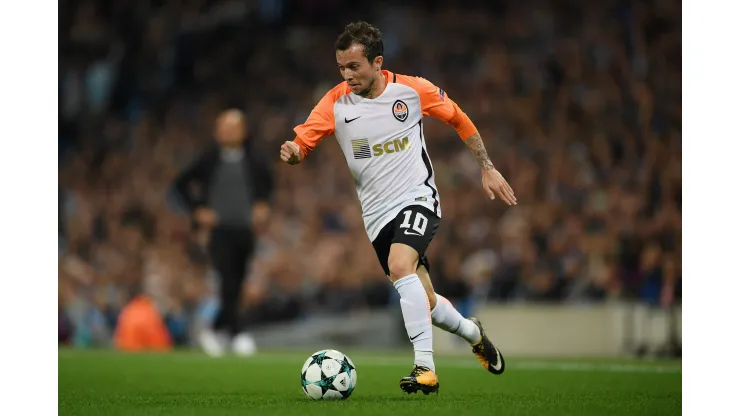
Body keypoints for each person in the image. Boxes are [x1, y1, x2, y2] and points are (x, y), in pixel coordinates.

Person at [279, 22, 516, 395]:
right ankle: (473, 333)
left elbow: (458, 117)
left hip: (418, 198)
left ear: (377, 63)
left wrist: (486, 167)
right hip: (376, 216)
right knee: (427, 300)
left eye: (354, 67)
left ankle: (425, 369)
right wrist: (293, 153)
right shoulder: (335, 102)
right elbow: (303, 142)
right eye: (341, 67)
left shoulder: (412, 90)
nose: (347, 75)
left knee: (400, 265)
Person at [174, 109, 273, 357]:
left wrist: (262, 204)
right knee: (227, 278)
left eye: (232, 127)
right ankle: (238, 332)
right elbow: (181, 184)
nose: (227, 132)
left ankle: (216, 329)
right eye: (223, 127)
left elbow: (267, 186)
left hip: (245, 229)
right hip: (218, 231)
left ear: (243, 131)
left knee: (237, 282)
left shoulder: (255, 159)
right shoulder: (209, 158)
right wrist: (198, 209)